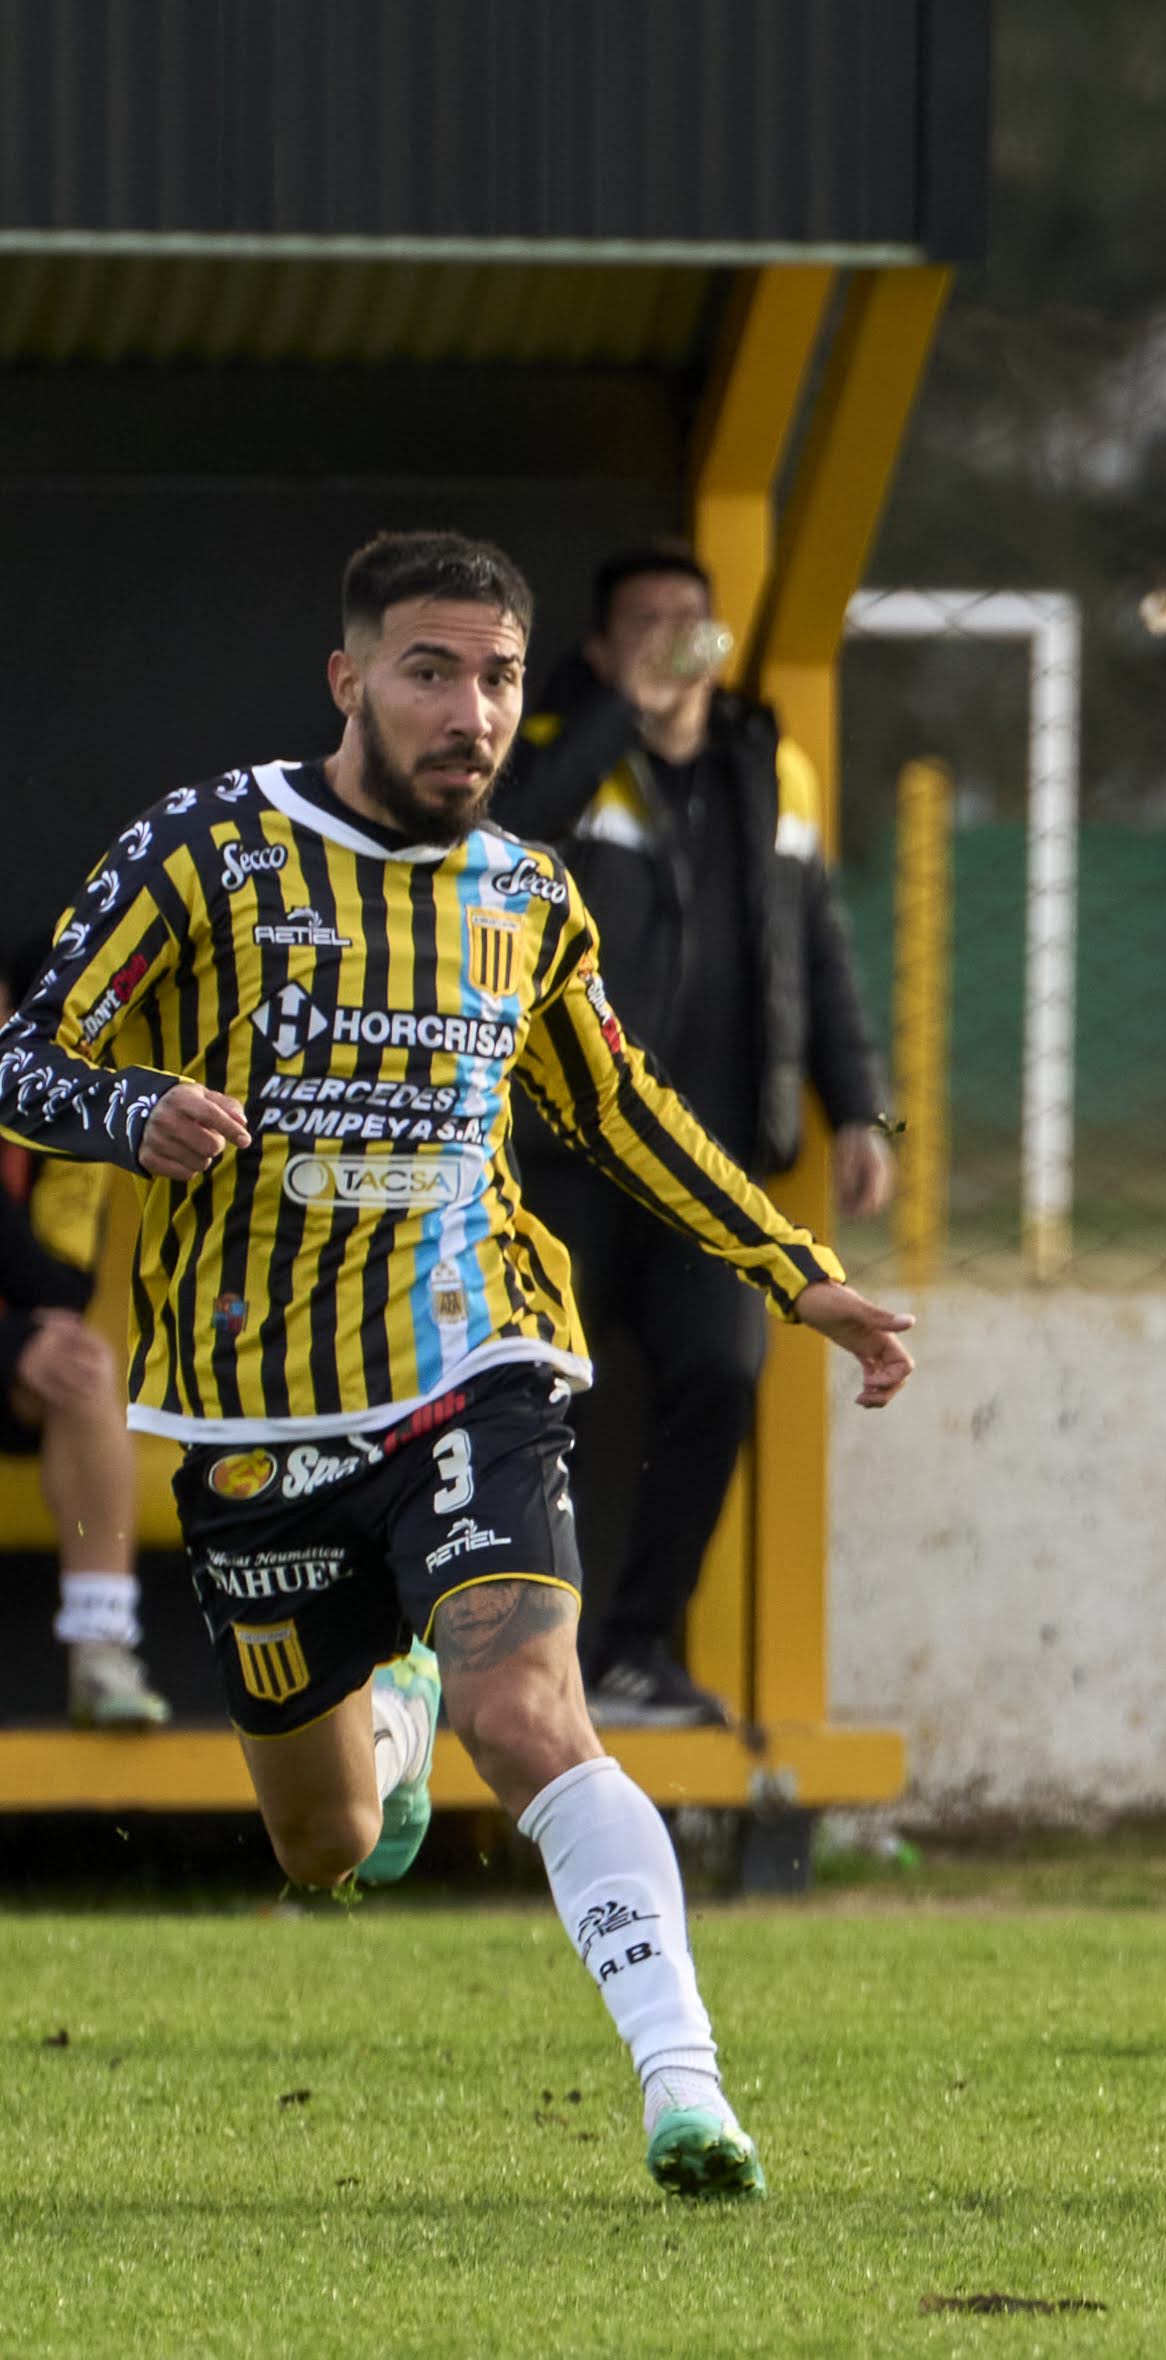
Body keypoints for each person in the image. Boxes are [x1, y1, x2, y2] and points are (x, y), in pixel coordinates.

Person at [0, 531, 916, 2196]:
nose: (471, 711)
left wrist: (799, 1275)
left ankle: (685, 2089)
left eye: (498, 676)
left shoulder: (526, 896)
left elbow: (618, 1107)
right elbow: (22, 1053)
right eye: (431, 670)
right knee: (325, 1842)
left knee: (531, 1704)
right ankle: (394, 1732)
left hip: (468, 1356)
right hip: (248, 1401)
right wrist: (132, 1110)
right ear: (348, 680)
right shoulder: (206, 853)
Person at [499, 547, 891, 1727]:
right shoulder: (560, 747)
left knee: (722, 1371)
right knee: (528, 1397)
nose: (678, 639)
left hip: (712, 1160)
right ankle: (508, 1664)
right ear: (605, 648)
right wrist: (621, 708)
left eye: (693, 620)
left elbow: (820, 946)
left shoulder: (776, 766)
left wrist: (862, 1103)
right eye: (647, 624)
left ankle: (632, 1652)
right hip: (568, 1148)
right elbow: (505, 841)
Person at [0, 942, 166, 1728]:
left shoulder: (61, 1114)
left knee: (85, 1366)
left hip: (14, 1355)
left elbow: (57, 1285)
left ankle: (101, 1650)